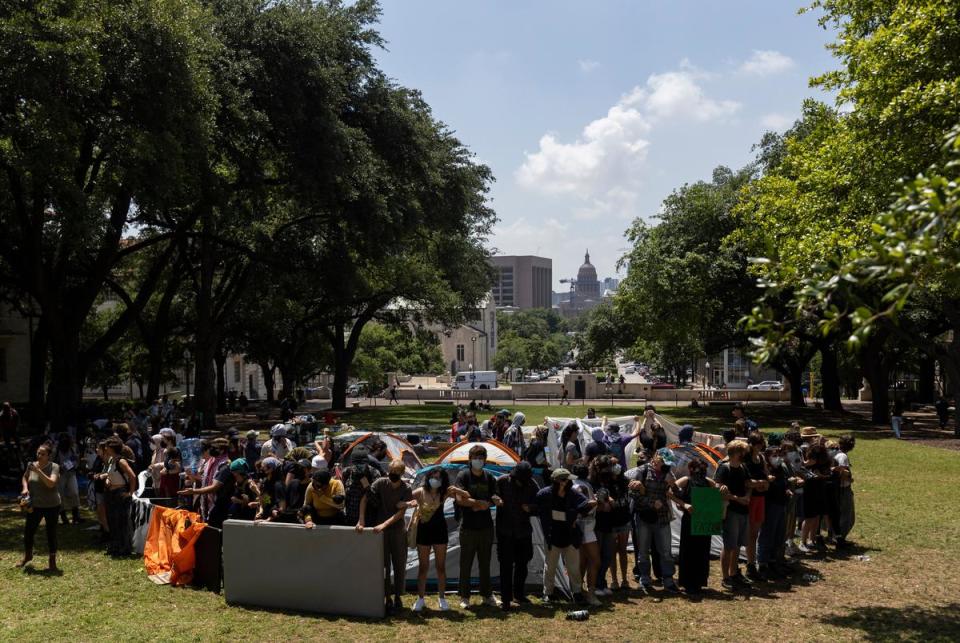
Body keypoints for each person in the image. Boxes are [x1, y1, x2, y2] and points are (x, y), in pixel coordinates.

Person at [357, 460, 412, 613]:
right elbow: (365, 498)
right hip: (380, 531)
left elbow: (400, 513)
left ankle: (398, 596)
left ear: (402, 474)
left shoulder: (406, 488)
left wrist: (384, 524)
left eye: (397, 473)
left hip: (397, 530)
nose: (393, 475)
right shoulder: (381, 483)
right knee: (385, 565)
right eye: (391, 471)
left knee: (400, 563)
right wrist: (361, 520)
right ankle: (387, 597)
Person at [452, 444, 501, 608]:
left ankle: (487, 595)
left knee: (485, 562)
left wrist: (493, 501)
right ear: (470, 459)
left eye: (481, 458)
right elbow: (459, 499)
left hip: (486, 526)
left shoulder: (489, 477)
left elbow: (494, 496)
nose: (478, 461)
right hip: (468, 527)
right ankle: (464, 597)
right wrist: (476, 503)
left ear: (485, 460)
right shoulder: (463, 475)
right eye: (475, 458)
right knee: (465, 563)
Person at [537, 468, 594, 605]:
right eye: (565, 480)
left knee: (573, 567)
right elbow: (541, 510)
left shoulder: (573, 493)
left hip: (570, 536)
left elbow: (585, 504)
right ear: (558, 481)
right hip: (553, 536)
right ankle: (548, 593)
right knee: (550, 567)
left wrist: (585, 508)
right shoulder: (544, 494)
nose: (568, 483)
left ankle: (577, 592)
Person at [411, 468, 463, 612]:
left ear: (443, 481)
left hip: (440, 531)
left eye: (439, 478)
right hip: (423, 531)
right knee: (423, 567)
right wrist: (408, 504)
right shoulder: (420, 492)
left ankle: (442, 598)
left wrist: (459, 490)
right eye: (433, 477)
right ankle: (420, 598)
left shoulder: (444, 492)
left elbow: (464, 495)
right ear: (428, 478)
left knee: (441, 566)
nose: (435, 480)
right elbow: (404, 497)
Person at [631, 448, 680, 593]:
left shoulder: (668, 473)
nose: (666, 466)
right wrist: (652, 503)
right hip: (644, 517)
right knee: (643, 550)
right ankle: (645, 579)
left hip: (662, 517)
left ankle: (668, 580)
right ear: (657, 459)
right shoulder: (642, 471)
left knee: (666, 551)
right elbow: (633, 493)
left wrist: (673, 485)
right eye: (664, 462)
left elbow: (678, 494)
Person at [494, 461, 539, 610]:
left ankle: (519, 594)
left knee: (523, 563)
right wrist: (496, 500)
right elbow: (492, 495)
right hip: (505, 531)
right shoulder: (502, 481)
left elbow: (539, 504)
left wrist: (530, 508)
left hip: (523, 531)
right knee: (505, 565)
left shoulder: (532, 485)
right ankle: (506, 599)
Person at [673, 457, 716, 595]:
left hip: (704, 520)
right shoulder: (686, 480)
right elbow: (669, 491)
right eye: (697, 468)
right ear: (691, 469)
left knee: (702, 551)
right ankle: (687, 582)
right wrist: (684, 504)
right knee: (688, 551)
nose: (700, 471)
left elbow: (717, 493)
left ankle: (699, 581)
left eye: (703, 468)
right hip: (690, 520)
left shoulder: (708, 482)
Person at [715, 439, 752, 590]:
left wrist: (748, 496)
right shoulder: (724, 468)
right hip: (731, 511)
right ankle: (725, 577)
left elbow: (748, 484)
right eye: (742, 452)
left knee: (737, 545)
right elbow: (719, 489)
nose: (744, 455)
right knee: (729, 546)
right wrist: (739, 499)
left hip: (743, 510)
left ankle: (734, 573)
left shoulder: (743, 467)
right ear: (736, 453)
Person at [591, 454, 630, 594]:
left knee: (614, 553)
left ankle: (610, 582)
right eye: (610, 465)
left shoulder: (618, 480)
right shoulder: (598, 482)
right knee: (603, 554)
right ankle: (601, 583)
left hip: (617, 521)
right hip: (603, 522)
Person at [18, 444, 61, 570]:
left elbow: (51, 484)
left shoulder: (54, 467)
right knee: (28, 532)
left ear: (49, 455)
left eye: (43, 454)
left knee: (51, 532)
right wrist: (25, 488)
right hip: (35, 505)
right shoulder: (31, 465)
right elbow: (25, 477)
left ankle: (52, 561)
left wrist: (38, 471)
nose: (39, 456)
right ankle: (28, 555)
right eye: (38, 453)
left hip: (52, 505)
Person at [179, 457, 250, 529]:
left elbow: (252, 503)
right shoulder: (237, 484)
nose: (235, 478)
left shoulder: (249, 485)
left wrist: (239, 501)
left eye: (235, 475)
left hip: (244, 520)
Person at [99, 437, 137, 557]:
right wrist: (108, 481)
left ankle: (124, 548)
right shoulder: (111, 460)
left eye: (107, 446)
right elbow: (110, 475)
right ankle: (115, 546)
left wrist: (130, 493)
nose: (105, 448)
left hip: (120, 493)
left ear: (112, 448)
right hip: (111, 493)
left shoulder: (121, 461)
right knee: (112, 521)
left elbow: (132, 476)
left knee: (122, 522)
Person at [570, 460, 601, 604]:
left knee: (582, 562)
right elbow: (583, 507)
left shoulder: (577, 484)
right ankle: (591, 593)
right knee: (595, 561)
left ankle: (579, 591)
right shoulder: (582, 486)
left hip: (582, 526)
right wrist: (596, 503)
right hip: (586, 527)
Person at [757, 445, 790, 578]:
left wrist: (787, 489)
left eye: (778, 455)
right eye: (774, 456)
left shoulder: (780, 469)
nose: (777, 458)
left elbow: (783, 484)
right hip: (771, 506)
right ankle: (763, 564)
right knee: (767, 535)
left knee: (778, 535)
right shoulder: (766, 470)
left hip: (781, 504)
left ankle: (772, 561)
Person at [744, 431, 771, 581]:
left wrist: (765, 482)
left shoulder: (760, 458)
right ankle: (749, 564)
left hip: (760, 498)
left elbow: (766, 475)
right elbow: (746, 481)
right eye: (756, 444)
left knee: (755, 533)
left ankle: (751, 563)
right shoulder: (746, 459)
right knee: (748, 534)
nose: (759, 447)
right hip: (750, 499)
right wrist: (760, 484)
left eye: (761, 444)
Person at [341, 445, 382, 526]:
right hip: (350, 518)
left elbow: (376, 502)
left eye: (362, 464)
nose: (359, 466)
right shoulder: (347, 472)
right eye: (357, 464)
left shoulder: (374, 474)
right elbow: (344, 493)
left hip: (368, 520)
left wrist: (365, 483)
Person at [832, 435, 856, 549]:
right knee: (847, 516)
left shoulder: (837, 453)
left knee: (839, 514)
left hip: (839, 488)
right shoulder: (842, 456)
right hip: (843, 489)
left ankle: (835, 536)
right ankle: (839, 538)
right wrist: (849, 478)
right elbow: (841, 470)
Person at [55, 433, 82, 525]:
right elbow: (51, 463)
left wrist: (75, 465)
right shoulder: (56, 450)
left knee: (74, 492)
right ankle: (63, 517)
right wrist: (59, 467)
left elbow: (77, 459)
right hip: (60, 475)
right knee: (60, 495)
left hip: (71, 473)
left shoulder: (73, 449)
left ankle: (76, 516)